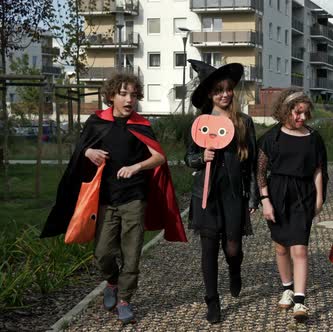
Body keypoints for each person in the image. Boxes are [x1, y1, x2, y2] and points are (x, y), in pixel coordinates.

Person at [41, 73, 187, 324]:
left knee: (132, 253)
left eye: (133, 94)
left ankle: (125, 300)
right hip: (106, 198)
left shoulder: (141, 124)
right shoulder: (97, 121)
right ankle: (111, 281)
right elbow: (79, 149)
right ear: (111, 96)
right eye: (123, 93)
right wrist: (88, 151)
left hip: (134, 198)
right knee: (102, 253)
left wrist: (137, 167)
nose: (129, 99)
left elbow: (159, 157)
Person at [185, 60, 258, 324]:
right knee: (208, 250)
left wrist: (253, 196)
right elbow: (188, 157)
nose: (225, 94)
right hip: (205, 194)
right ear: (210, 95)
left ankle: (235, 270)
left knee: (232, 248)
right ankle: (212, 301)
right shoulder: (200, 123)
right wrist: (200, 157)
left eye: (228, 89)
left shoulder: (244, 122)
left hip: (233, 194)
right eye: (218, 91)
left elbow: (251, 163)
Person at [256, 87, 328, 322]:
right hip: (276, 195)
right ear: (285, 111)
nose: (302, 118)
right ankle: (287, 287)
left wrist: (319, 197)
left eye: (306, 113)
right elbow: (260, 172)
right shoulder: (271, 137)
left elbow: (318, 169)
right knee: (280, 247)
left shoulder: (314, 138)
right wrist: (265, 201)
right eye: (298, 113)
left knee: (300, 248)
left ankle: (300, 301)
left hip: (303, 196)